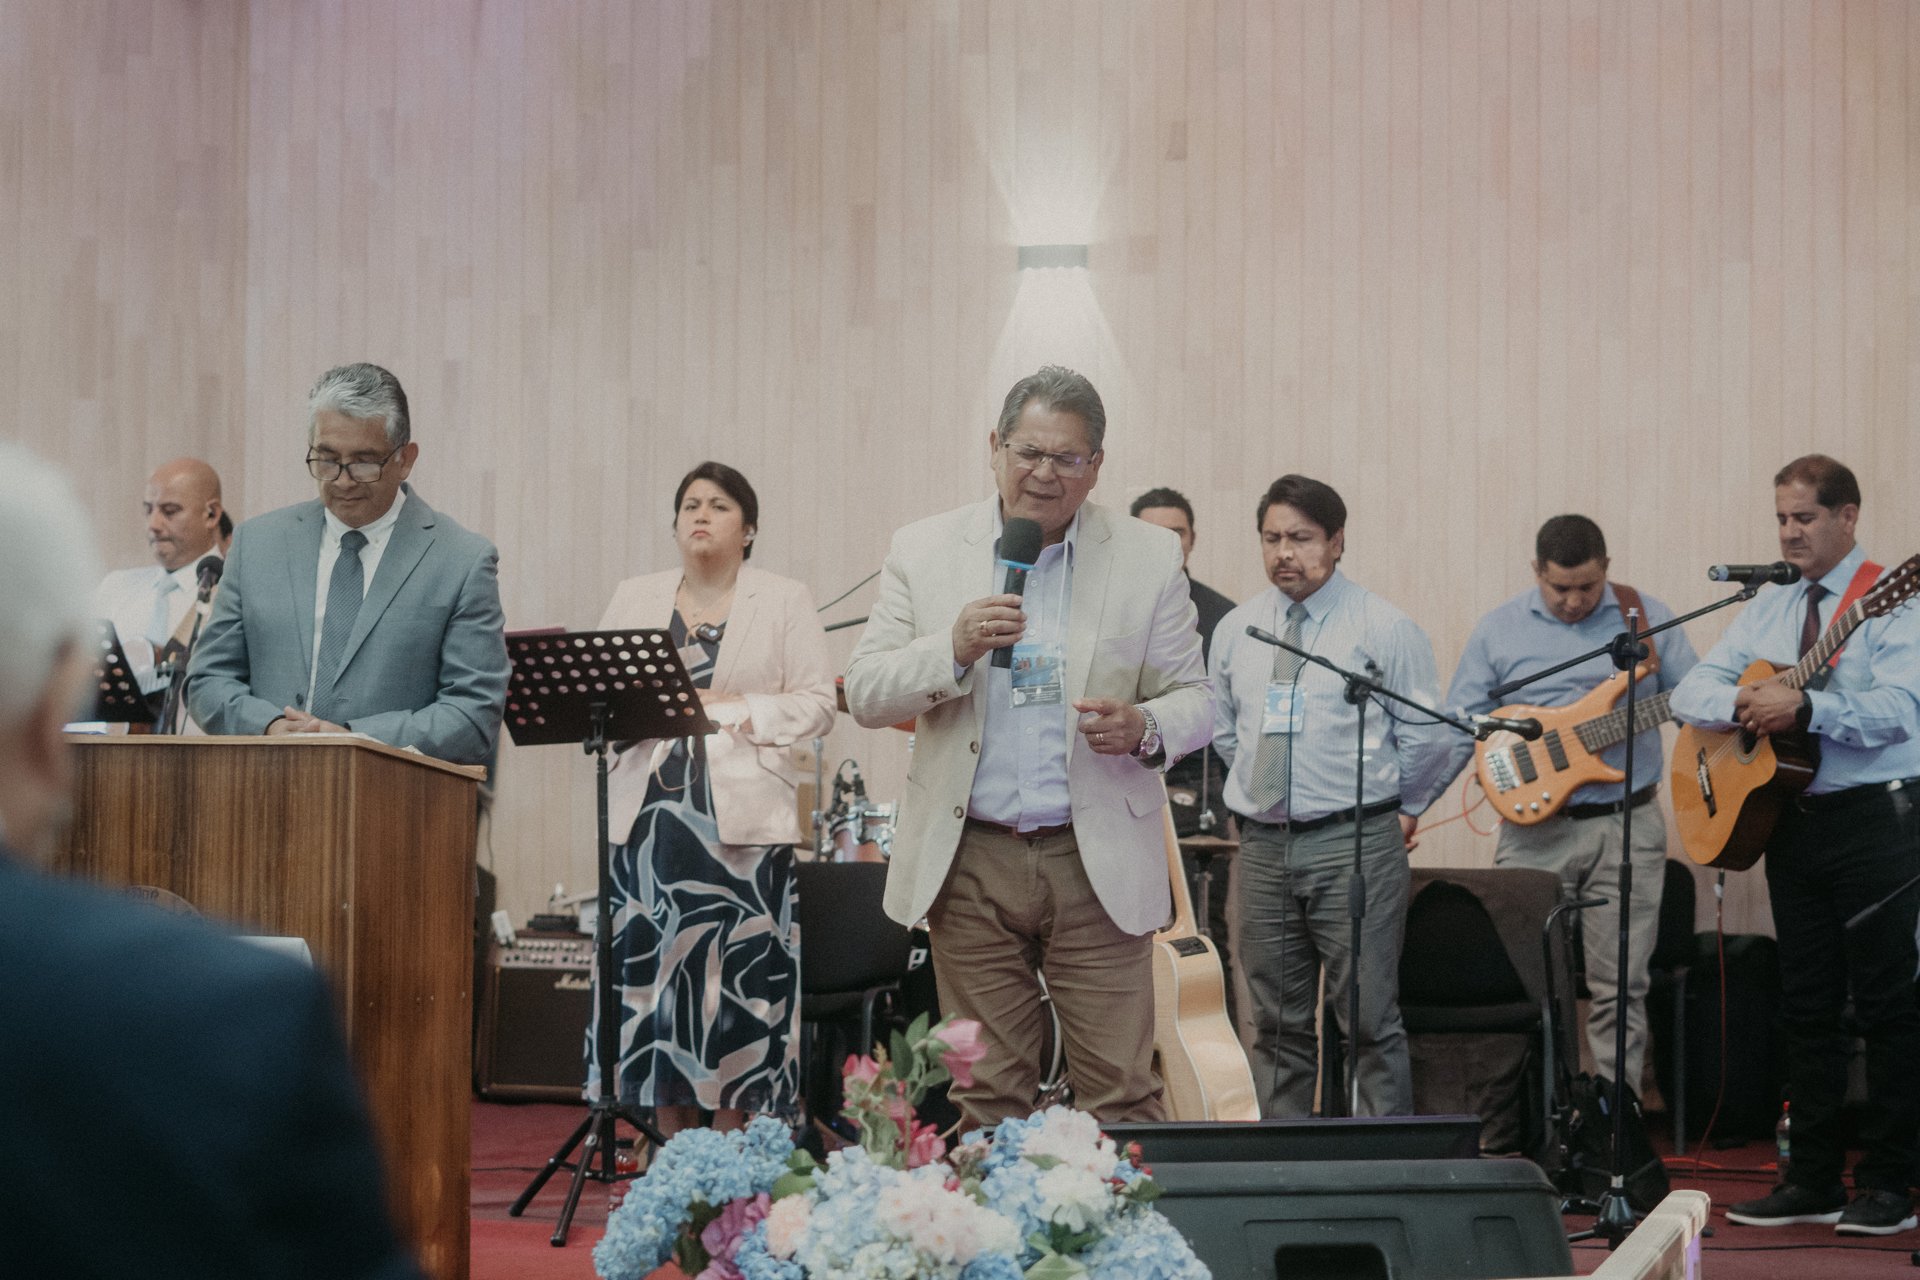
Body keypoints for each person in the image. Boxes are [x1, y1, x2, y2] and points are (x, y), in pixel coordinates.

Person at [0, 441, 421, 1280]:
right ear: (55, 704)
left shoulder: (241, 580)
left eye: (170, 508)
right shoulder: (236, 1017)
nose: (154, 524)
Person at [844, 365, 1212, 1128]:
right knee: (986, 1098)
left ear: (1096, 466)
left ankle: (1129, 1214)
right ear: (995, 447)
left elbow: (1199, 701)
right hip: (971, 858)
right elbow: (868, 691)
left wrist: (1143, 727)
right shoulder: (925, 548)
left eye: (1066, 458)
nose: (1044, 473)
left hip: (1095, 855)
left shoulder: (1148, 556)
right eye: (1029, 452)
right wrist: (950, 648)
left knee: (1122, 1094)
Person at [1671, 454, 1920, 1236]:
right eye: (1781, 518)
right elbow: (1689, 690)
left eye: (1804, 517)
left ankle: (1889, 1184)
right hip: (1793, 820)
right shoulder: (1773, 604)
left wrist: (1807, 708)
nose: (1789, 532)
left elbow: (1903, 711)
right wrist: (1750, 701)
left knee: (1888, 1004)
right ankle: (1810, 1178)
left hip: (1879, 821)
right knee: (1806, 1005)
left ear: (1848, 516)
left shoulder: (1893, 599)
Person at [590, 462, 835, 1137]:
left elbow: (819, 704)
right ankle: (666, 1142)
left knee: (738, 983)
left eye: (720, 505)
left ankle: (731, 1141)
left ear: (748, 529)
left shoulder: (782, 598)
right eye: (690, 504)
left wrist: (738, 706)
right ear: (675, 524)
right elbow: (598, 696)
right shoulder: (635, 596)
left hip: (742, 829)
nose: (701, 514)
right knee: (653, 979)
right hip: (648, 821)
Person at [1209, 474, 1450, 1118]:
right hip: (1263, 848)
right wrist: (1266, 795)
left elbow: (1428, 737)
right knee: (1275, 1025)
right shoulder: (1238, 629)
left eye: (1301, 538)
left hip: (1354, 842)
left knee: (1368, 1020)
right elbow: (1228, 734)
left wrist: (1399, 809)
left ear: (1337, 541)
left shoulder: (1384, 628)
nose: (1284, 553)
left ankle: (1380, 1165)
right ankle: (1283, 1164)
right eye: (1271, 539)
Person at [1436, 515, 1698, 1095]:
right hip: (1533, 831)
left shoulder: (1644, 616)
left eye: (1587, 586)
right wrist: (1414, 805)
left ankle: (1617, 1117)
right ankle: (1537, 1113)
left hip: (1626, 823)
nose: (1575, 600)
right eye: (1560, 588)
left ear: (1607, 568)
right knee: (1524, 983)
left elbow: (1697, 699)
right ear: (1537, 572)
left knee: (1620, 986)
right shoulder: (1498, 630)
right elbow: (1460, 726)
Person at [188, 363, 509, 766]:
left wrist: (358, 740)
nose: (342, 480)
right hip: (264, 785)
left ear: (405, 459)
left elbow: (473, 713)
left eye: (363, 462)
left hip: (390, 792)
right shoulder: (257, 544)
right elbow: (207, 680)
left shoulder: (461, 560)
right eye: (327, 459)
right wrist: (268, 725)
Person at [1130, 486, 1240, 1021]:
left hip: (1200, 783)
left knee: (1204, 931)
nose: (1166, 542)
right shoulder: (1111, 606)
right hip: (1120, 780)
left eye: (1176, 532)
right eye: (1152, 533)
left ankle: (1215, 1053)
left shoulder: (1222, 617)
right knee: (1125, 931)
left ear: (1192, 539)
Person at [90, 457, 227, 705]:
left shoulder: (232, 592)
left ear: (211, 514)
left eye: (169, 511)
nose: (153, 524)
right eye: (148, 510)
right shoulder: (115, 587)